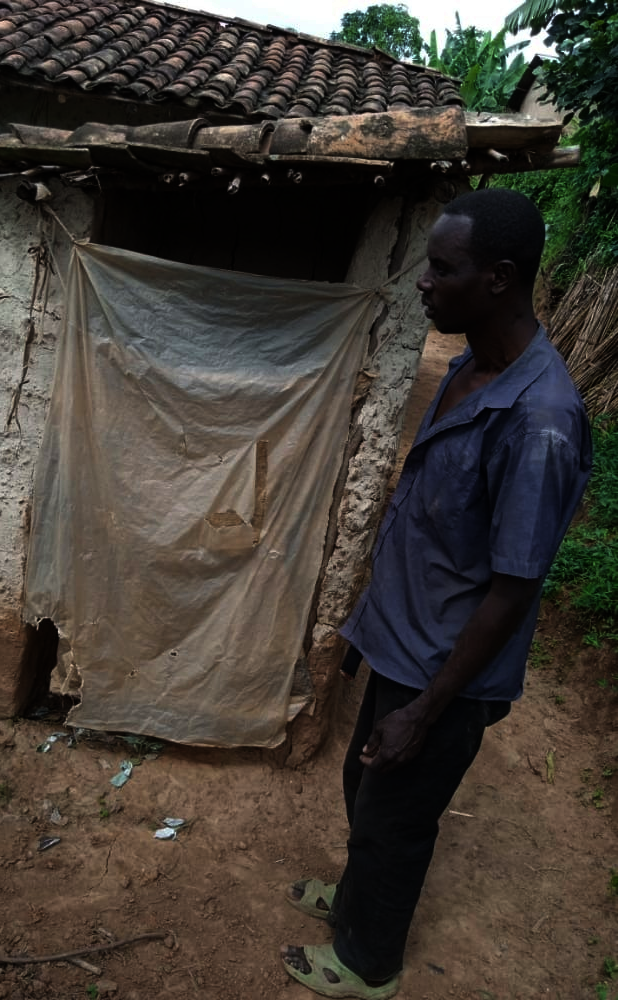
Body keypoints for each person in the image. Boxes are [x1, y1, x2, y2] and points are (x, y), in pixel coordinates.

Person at [280, 187, 593, 999]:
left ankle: (369, 962)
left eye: (441, 268)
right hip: (404, 641)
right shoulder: (467, 369)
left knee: (396, 817)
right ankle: (356, 903)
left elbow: (513, 588)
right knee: (366, 789)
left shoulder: (539, 422)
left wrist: (426, 709)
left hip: (443, 670)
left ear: (499, 278)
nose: (424, 281)